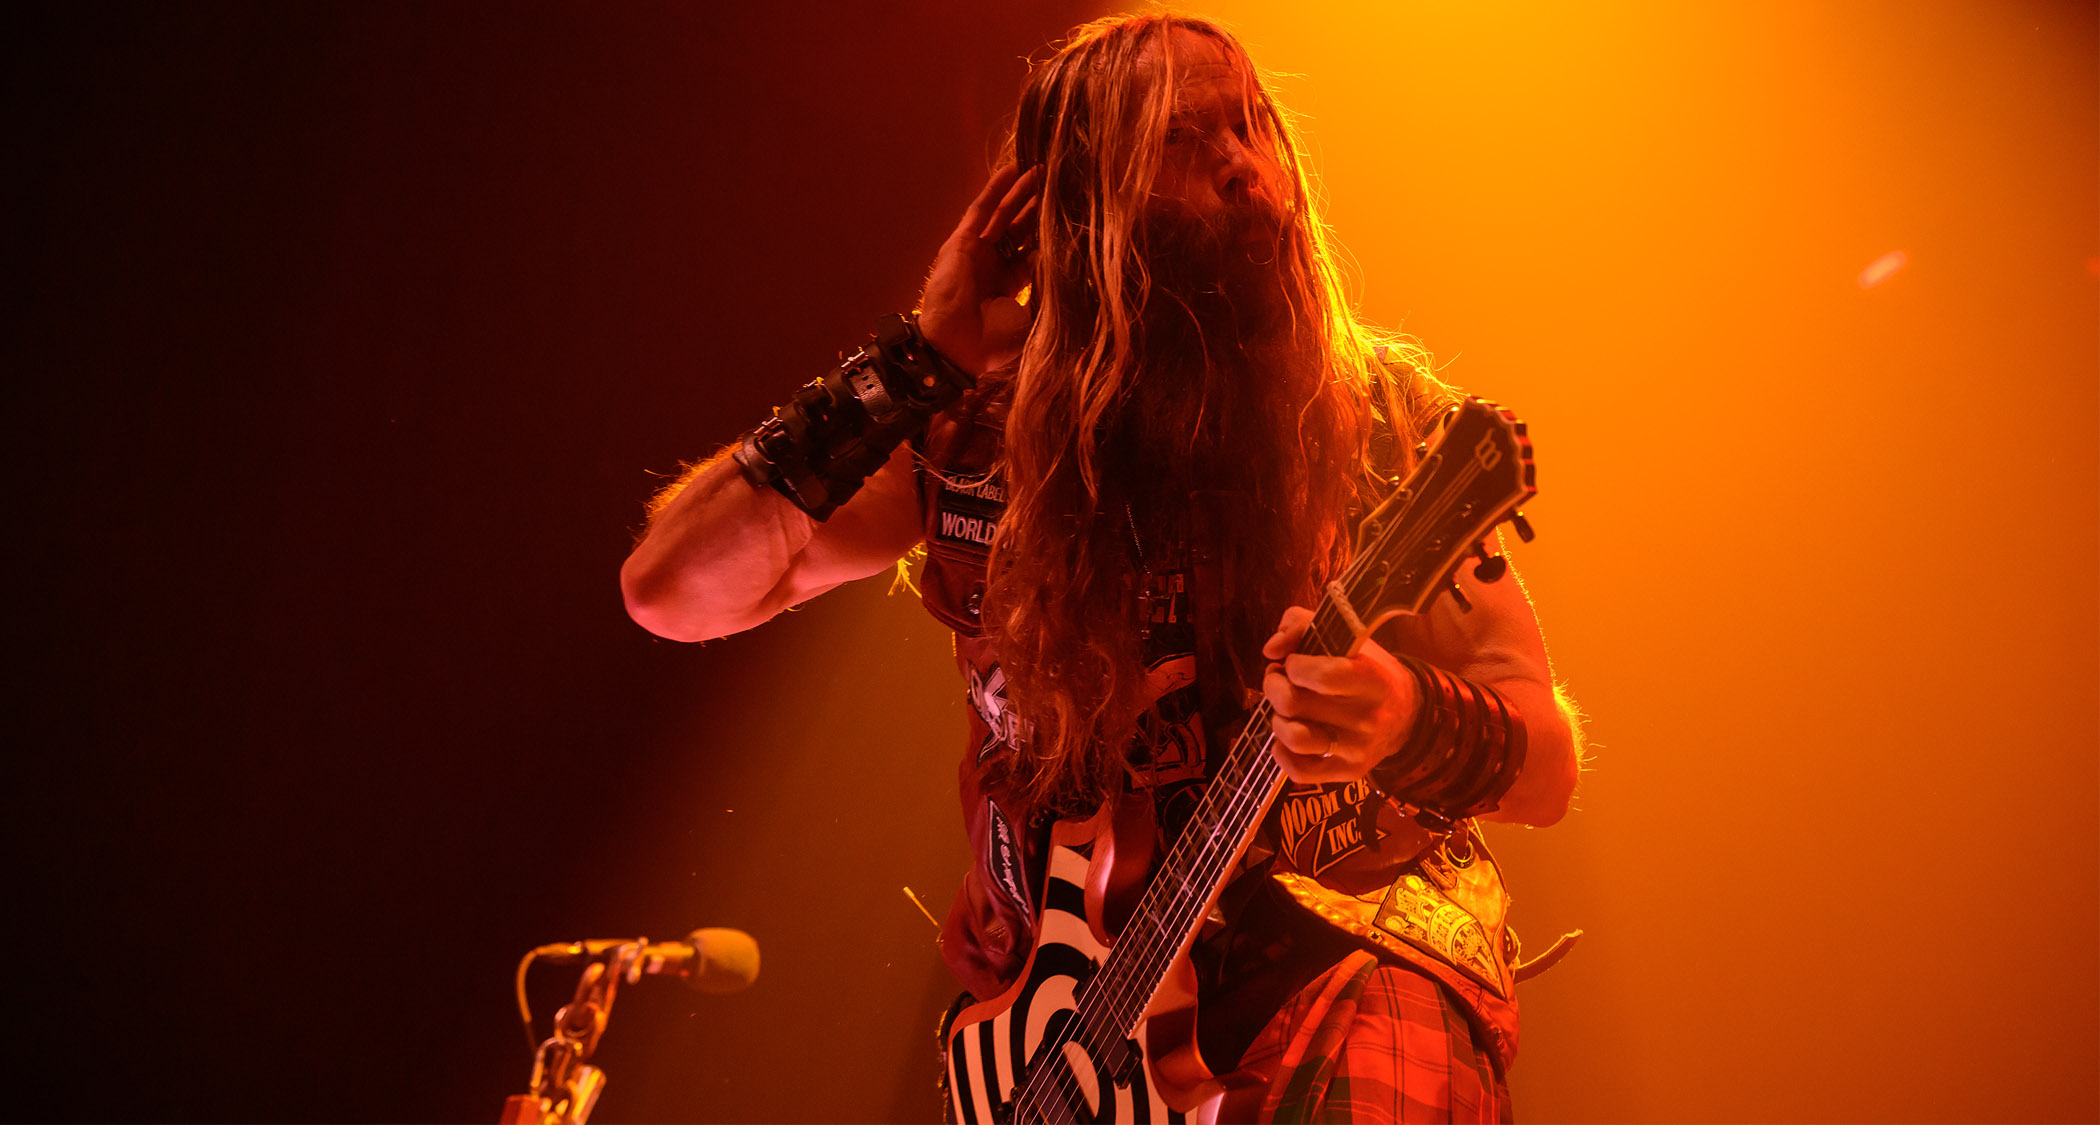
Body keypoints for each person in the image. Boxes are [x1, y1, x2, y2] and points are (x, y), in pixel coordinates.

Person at [622, 12, 1580, 1122]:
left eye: (1251, 127)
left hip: (1349, 965)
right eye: (1180, 139)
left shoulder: (1381, 420)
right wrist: (915, 361)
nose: (1242, 165)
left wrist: (1408, 717)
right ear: (1078, 202)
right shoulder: (971, 435)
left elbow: (1549, 766)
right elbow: (671, 592)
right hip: (1075, 1040)